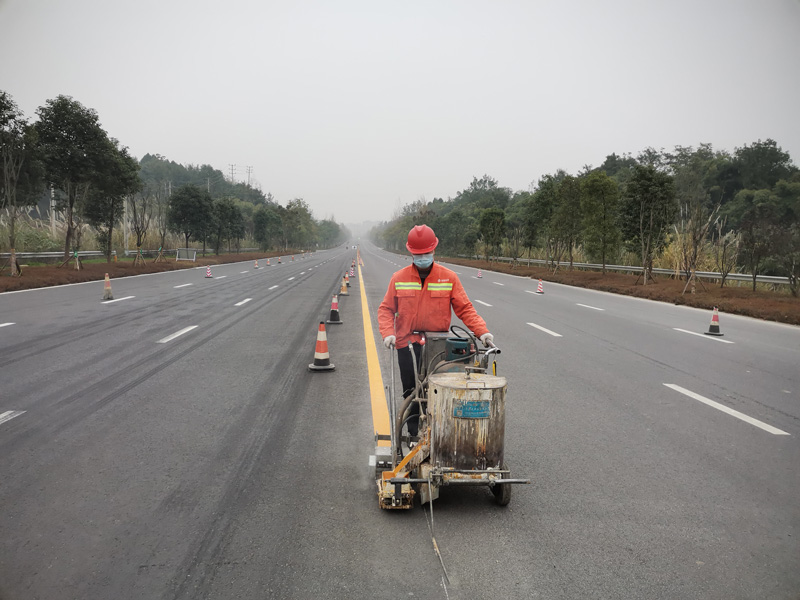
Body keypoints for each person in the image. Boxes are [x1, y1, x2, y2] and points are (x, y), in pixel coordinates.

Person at [378, 224, 494, 436]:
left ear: (434, 251)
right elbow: (386, 309)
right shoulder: (399, 278)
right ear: (411, 253)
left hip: (438, 345)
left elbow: (465, 308)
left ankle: (439, 431)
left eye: (426, 253)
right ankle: (414, 432)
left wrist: (482, 332)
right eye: (418, 254)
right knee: (411, 390)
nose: (423, 257)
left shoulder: (448, 277)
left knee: (437, 389)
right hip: (406, 343)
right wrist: (388, 333)